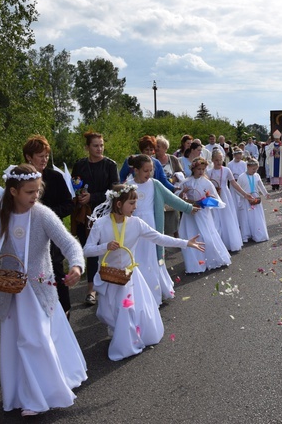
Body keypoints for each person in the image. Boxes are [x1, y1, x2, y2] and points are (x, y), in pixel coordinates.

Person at [0, 164, 87, 417]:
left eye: (38, 191)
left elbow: (68, 242)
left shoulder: (42, 214)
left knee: (34, 340)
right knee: (18, 342)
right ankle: (22, 391)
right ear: (13, 191)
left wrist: (77, 265)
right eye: (30, 192)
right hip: (10, 290)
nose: (35, 196)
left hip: (38, 291)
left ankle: (38, 396)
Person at [83, 184, 204, 360]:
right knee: (108, 313)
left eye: (135, 203)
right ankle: (122, 334)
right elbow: (86, 250)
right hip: (109, 277)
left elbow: (159, 238)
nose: (135, 207)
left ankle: (126, 344)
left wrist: (185, 243)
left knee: (127, 311)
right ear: (118, 204)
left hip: (128, 277)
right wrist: (105, 247)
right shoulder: (101, 225)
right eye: (131, 203)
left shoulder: (137, 223)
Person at [127, 155, 198, 304]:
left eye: (151, 170)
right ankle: (137, 293)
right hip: (133, 227)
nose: (149, 174)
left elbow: (172, 199)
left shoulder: (155, 184)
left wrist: (188, 208)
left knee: (151, 257)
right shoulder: (128, 185)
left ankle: (154, 293)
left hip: (151, 225)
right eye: (145, 170)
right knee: (136, 258)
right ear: (136, 170)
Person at [23, 135, 75, 318]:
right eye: (40, 155)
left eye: (46, 155)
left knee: (57, 273)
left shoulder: (55, 177)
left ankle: (64, 315)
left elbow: (69, 204)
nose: (44, 159)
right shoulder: (20, 179)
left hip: (54, 236)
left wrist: (48, 214)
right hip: (30, 238)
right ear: (29, 157)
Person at [72, 131, 119, 306]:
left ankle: (112, 285)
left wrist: (92, 196)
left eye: (101, 145)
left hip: (105, 214)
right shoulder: (80, 165)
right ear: (87, 147)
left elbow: (115, 192)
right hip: (85, 215)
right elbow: (74, 185)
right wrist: (79, 197)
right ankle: (90, 290)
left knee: (107, 250)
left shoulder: (110, 165)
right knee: (90, 250)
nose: (99, 148)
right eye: (95, 145)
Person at [178, 158, 233, 273]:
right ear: (193, 169)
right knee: (191, 234)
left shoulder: (207, 182)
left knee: (207, 236)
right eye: (199, 169)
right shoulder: (186, 182)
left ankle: (214, 259)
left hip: (202, 212)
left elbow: (215, 197)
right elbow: (178, 196)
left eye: (203, 169)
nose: (201, 171)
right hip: (190, 213)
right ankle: (195, 264)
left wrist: (207, 198)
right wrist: (183, 193)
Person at [208, 149, 248, 251]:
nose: (218, 162)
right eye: (216, 160)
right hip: (214, 196)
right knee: (215, 218)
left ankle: (230, 242)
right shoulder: (209, 172)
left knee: (227, 217)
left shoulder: (226, 170)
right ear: (212, 160)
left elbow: (234, 183)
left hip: (225, 195)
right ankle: (218, 243)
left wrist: (244, 193)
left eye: (220, 160)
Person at [154, 135, 185, 236]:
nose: (156, 148)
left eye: (159, 146)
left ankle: (176, 239)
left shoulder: (172, 159)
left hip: (170, 192)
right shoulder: (152, 160)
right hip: (157, 192)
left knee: (172, 217)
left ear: (165, 148)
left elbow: (181, 173)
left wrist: (173, 180)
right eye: (155, 146)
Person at [236, 158, 271, 243]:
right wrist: (243, 196)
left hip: (255, 199)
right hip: (246, 200)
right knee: (246, 217)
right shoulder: (241, 177)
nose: (255, 171)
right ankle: (246, 235)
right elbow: (237, 189)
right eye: (253, 169)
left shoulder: (257, 176)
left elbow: (260, 185)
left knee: (256, 217)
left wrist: (265, 193)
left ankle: (257, 233)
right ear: (248, 166)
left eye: (256, 169)